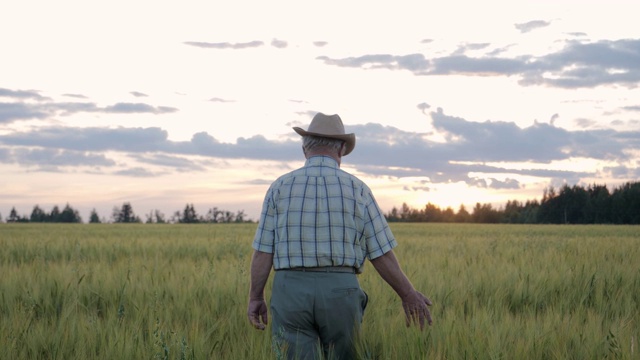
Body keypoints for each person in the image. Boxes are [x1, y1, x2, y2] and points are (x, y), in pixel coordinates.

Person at [248, 112, 432, 360]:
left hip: (289, 291)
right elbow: (381, 252)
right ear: (342, 150)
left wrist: (256, 296)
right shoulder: (357, 189)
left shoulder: (279, 187)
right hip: (340, 291)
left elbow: (263, 251)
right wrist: (408, 294)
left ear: (305, 148)